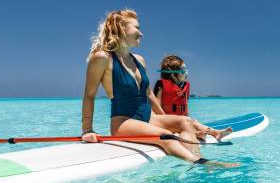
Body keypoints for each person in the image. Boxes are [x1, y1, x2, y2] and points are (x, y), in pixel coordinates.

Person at [81, 9, 237, 168]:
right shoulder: (102, 58)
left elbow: (149, 94)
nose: (141, 33)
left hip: (149, 116)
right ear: (121, 28)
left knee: (185, 121)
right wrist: (87, 130)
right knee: (166, 137)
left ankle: (196, 164)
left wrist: (166, 120)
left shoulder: (139, 60)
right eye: (137, 28)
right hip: (124, 122)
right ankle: (205, 164)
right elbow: (89, 95)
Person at [154, 54, 233, 141]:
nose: (187, 73)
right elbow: (156, 106)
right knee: (181, 126)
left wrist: (189, 120)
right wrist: (166, 121)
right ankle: (197, 134)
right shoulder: (162, 85)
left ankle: (215, 132)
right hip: (166, 121)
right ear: (173, 74)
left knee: (195, 123)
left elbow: (185, 105)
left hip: (181, 120)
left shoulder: (185, 86)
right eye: (183, 70)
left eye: (187, 70)